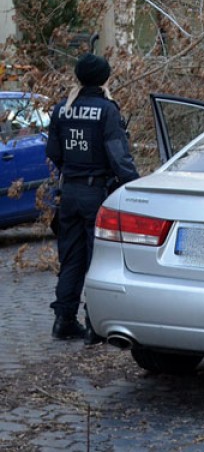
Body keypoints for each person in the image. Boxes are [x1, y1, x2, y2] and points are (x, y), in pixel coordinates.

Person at [45, 53, 140, 343]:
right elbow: (117, 154)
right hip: (96, 193)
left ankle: (63, 320)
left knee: (71, 257)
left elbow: (53, 152)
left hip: (69, 192)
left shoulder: (62, 109)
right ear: (104, 78)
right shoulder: (107, 110)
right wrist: (134, 186)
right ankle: (93, 325)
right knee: (99, 259)